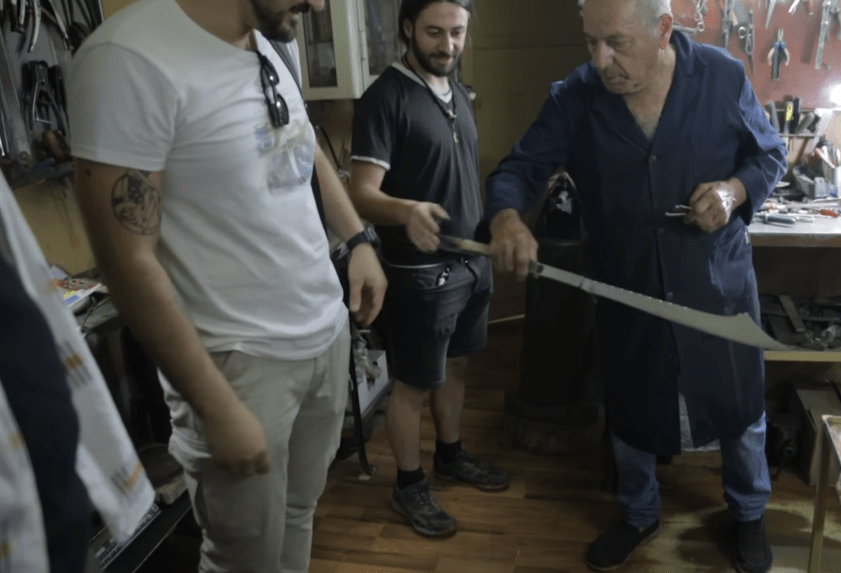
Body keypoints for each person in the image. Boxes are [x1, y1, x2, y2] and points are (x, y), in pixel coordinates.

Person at [67, 0, 388, 571]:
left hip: (324, 334)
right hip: (237, 364)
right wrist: (215, 405)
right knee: (243, 559)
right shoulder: (128, 59)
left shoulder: (268, 38)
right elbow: (126, 262)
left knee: (298, 514)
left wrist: (357, 240)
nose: (317, 4)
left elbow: (302, 141)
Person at [484, 0, 787, 571]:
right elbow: (518, 170)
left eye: (616, 43)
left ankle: (748, 513)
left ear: (663, 30)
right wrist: (505, 218)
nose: (601, 60)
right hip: (629, 288)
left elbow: (769, 154)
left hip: (715, 286)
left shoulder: (721, 78)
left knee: (740, 408)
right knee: (630, 406)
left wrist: (732, 192)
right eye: (591, 42)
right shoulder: (575, 97)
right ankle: (638, 513)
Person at [349, 0, 508, 539]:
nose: (448, 45)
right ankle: (408, 484)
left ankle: (450, 455)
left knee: (456, 369)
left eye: (457, 32)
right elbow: (361, 194)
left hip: (470, 262)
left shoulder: (456, 91)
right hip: (421, 274)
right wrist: (407, 210)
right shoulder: (385, 98)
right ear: (407, 28)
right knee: (413, 385)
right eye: (435, 32)